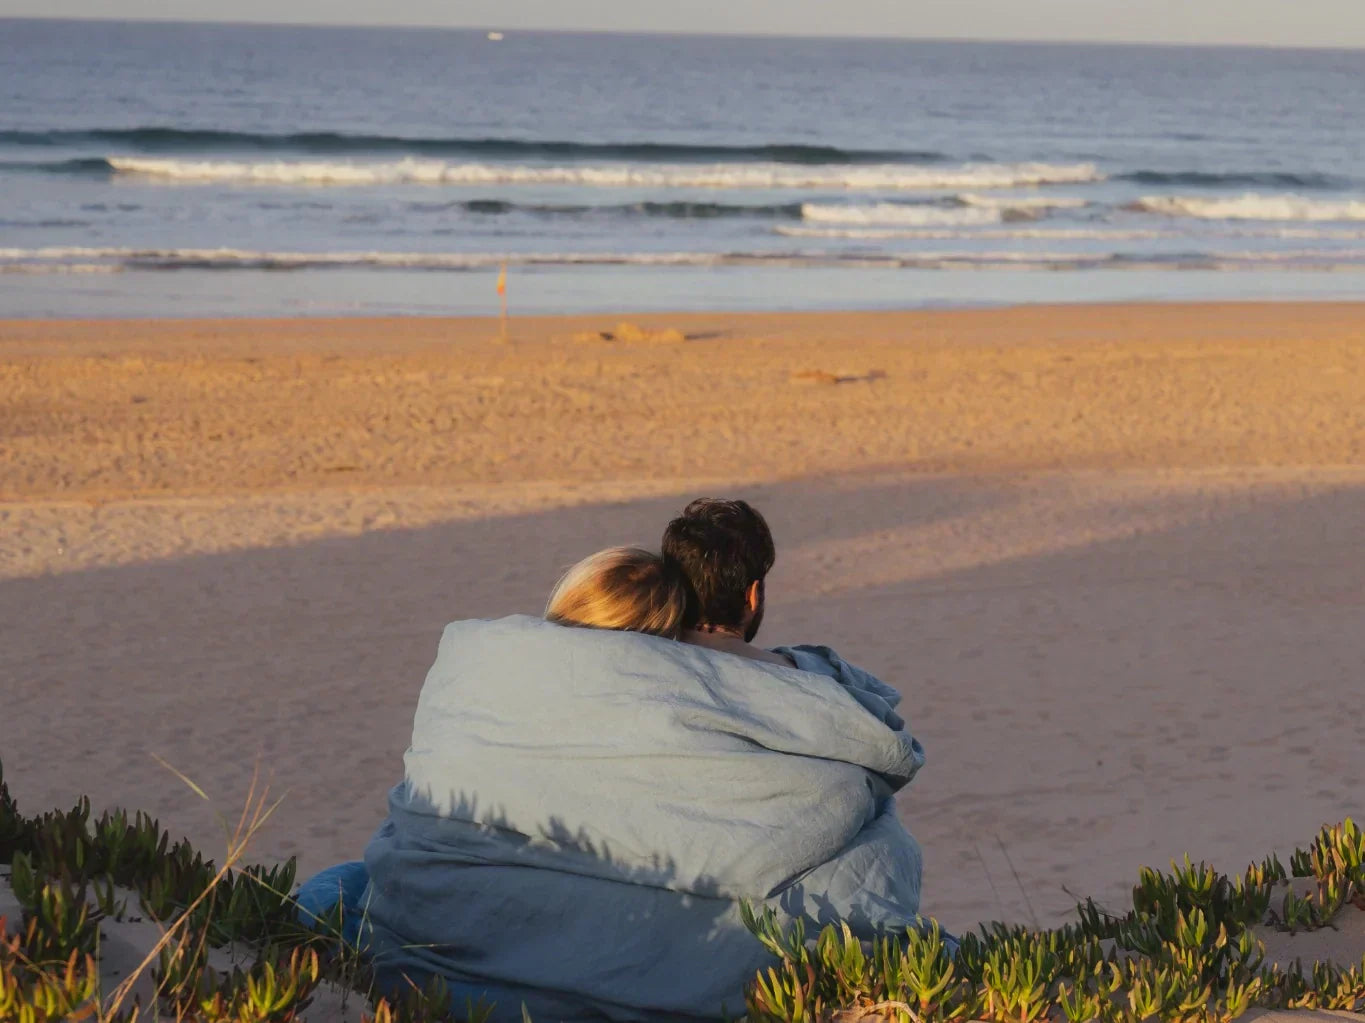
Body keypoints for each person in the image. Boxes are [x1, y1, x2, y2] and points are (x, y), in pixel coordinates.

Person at [298, 504, 932, 1022]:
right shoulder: (797, 690)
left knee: (348, 882)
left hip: (440, 945)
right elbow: (859, 787)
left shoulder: (505, 666)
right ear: (754, 592)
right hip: (675, 957)